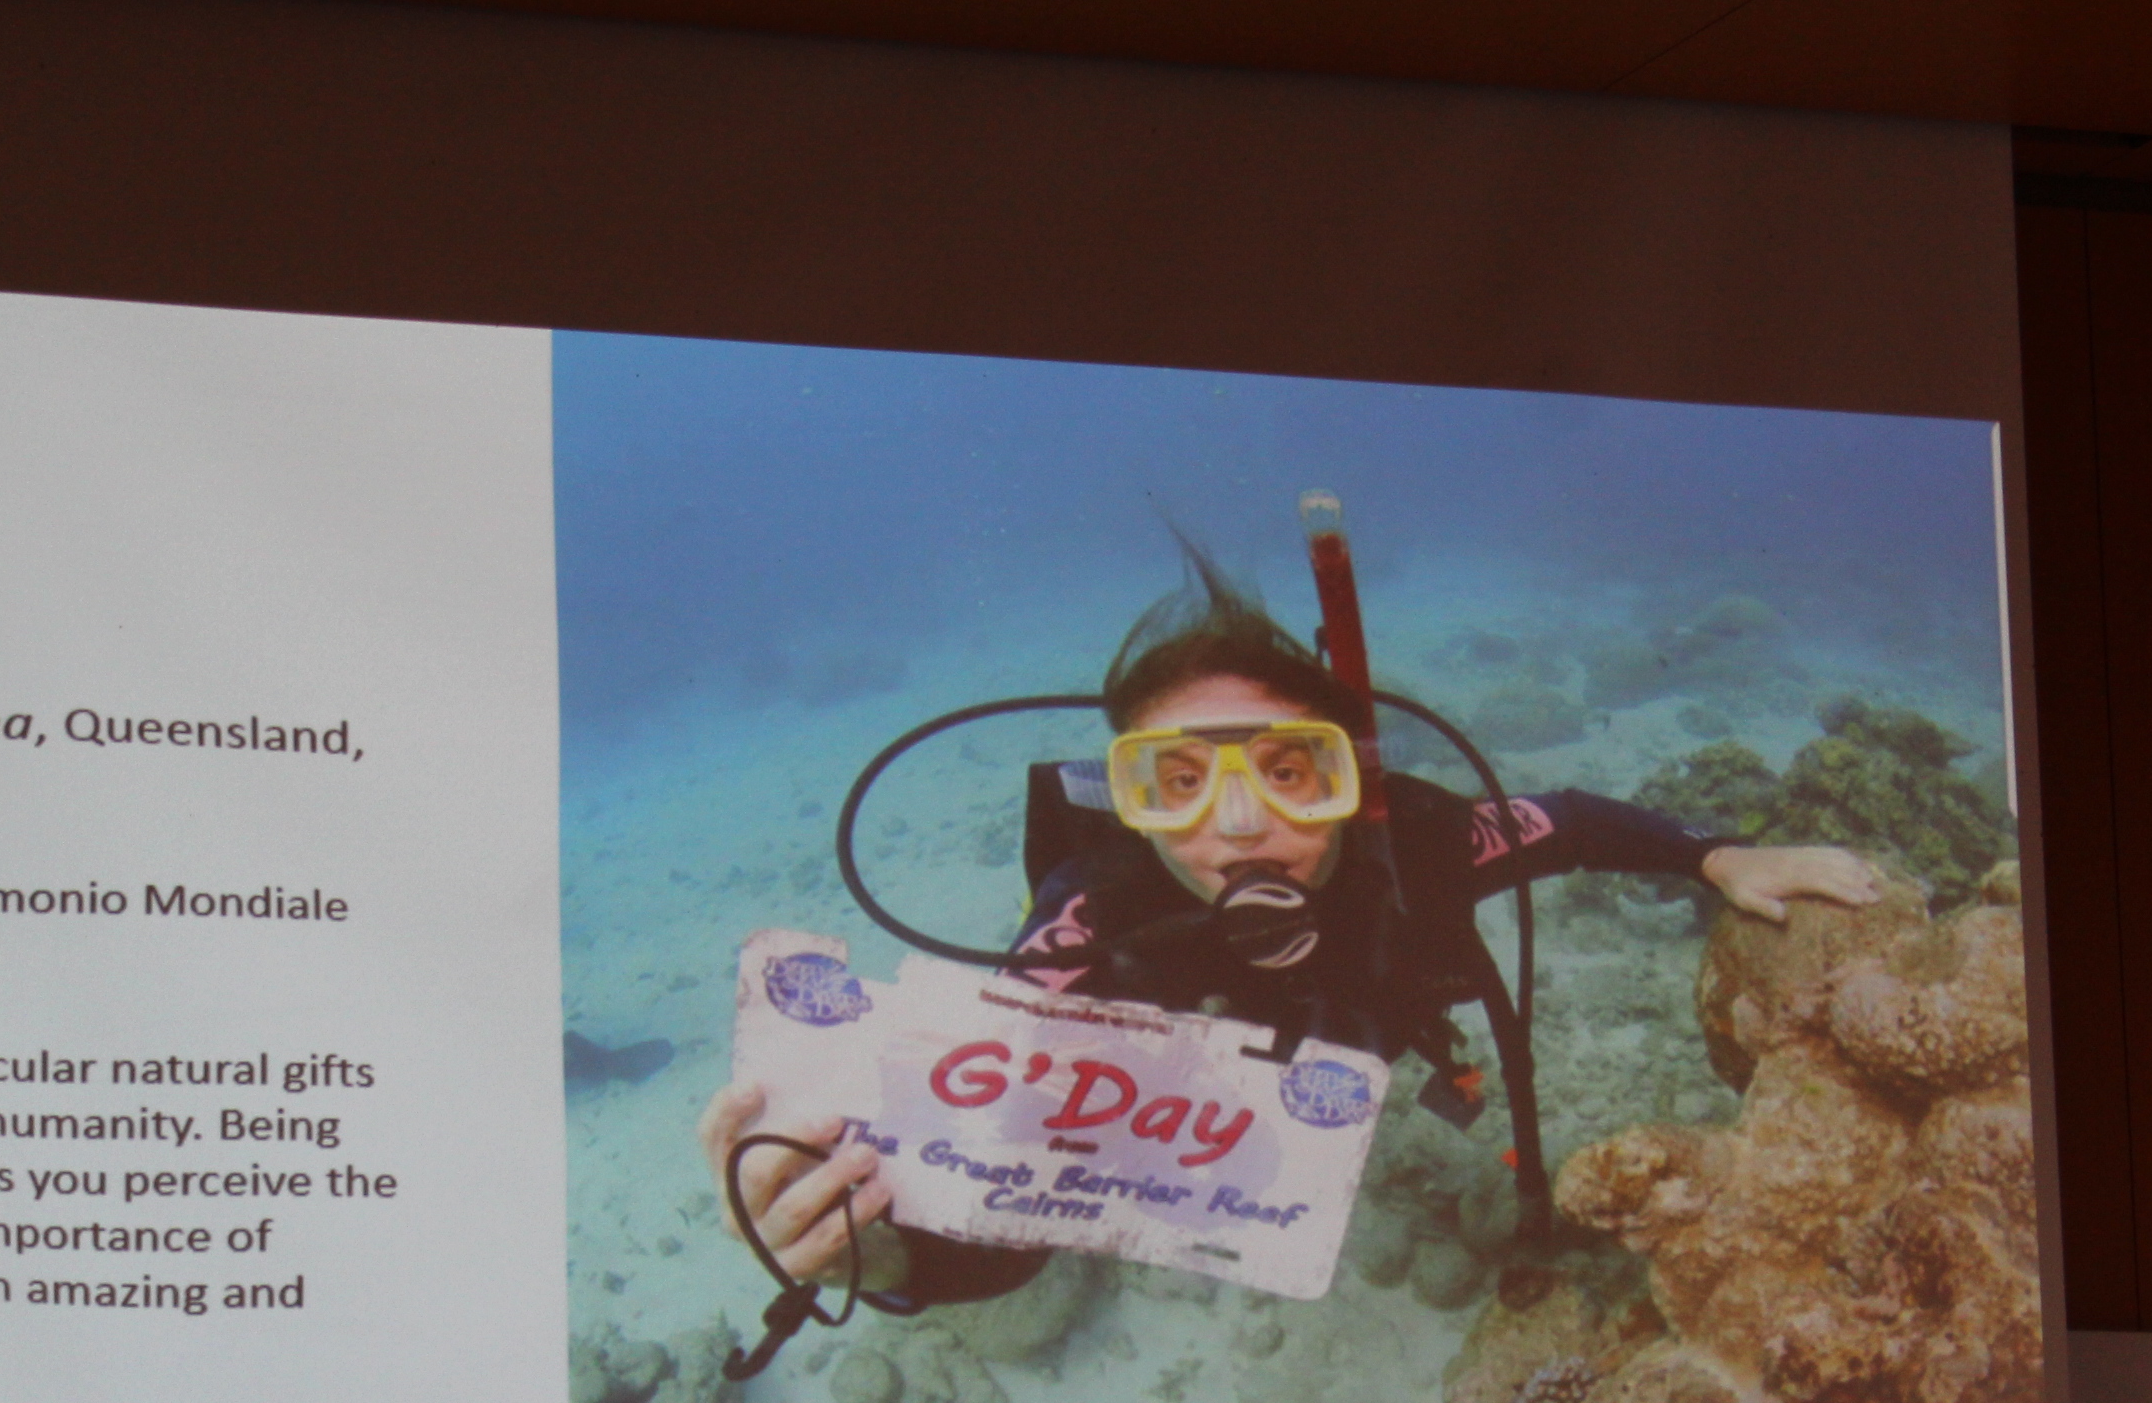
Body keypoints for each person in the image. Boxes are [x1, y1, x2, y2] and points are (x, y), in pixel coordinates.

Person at [699, 551, 1878, 1303]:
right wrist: (878, 1248)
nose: (1240, 826)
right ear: (1130, 803)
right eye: (1178, 786)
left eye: (1288, 771)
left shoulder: (1416, 842)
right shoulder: (1089, 926)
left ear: (1346, 778)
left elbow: (1567, 820)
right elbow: (1008, 1199)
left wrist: (1716, 855)